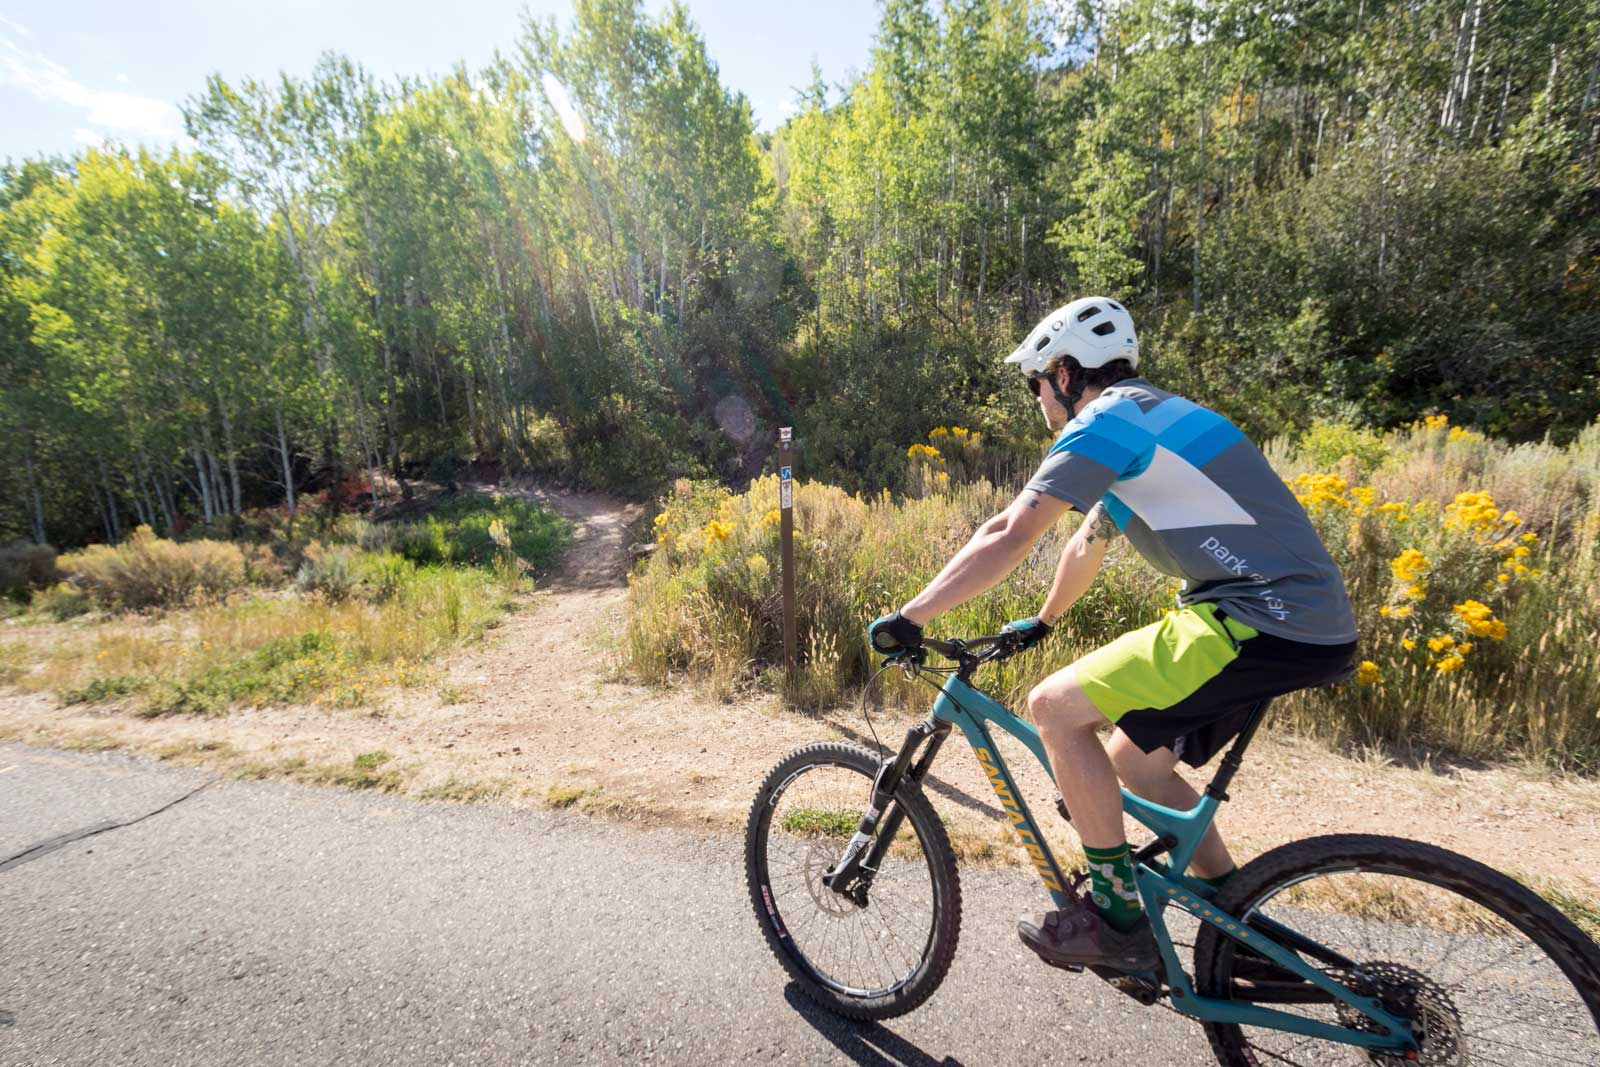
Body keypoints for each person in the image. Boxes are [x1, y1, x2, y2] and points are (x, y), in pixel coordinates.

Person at [867, 296, 1358, 973]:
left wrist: (910, 617)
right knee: (1134, 764)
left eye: (1034, 382)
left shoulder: (1108, 418)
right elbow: (1086, 544)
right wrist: (1041, 621)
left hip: (1257, 616)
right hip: (1300, 621)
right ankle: (1238, 916)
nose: (1036, 399)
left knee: (1053, 710)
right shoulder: (1154, 419)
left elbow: (1010, 533)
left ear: (1065, 374)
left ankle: (1116, 919)